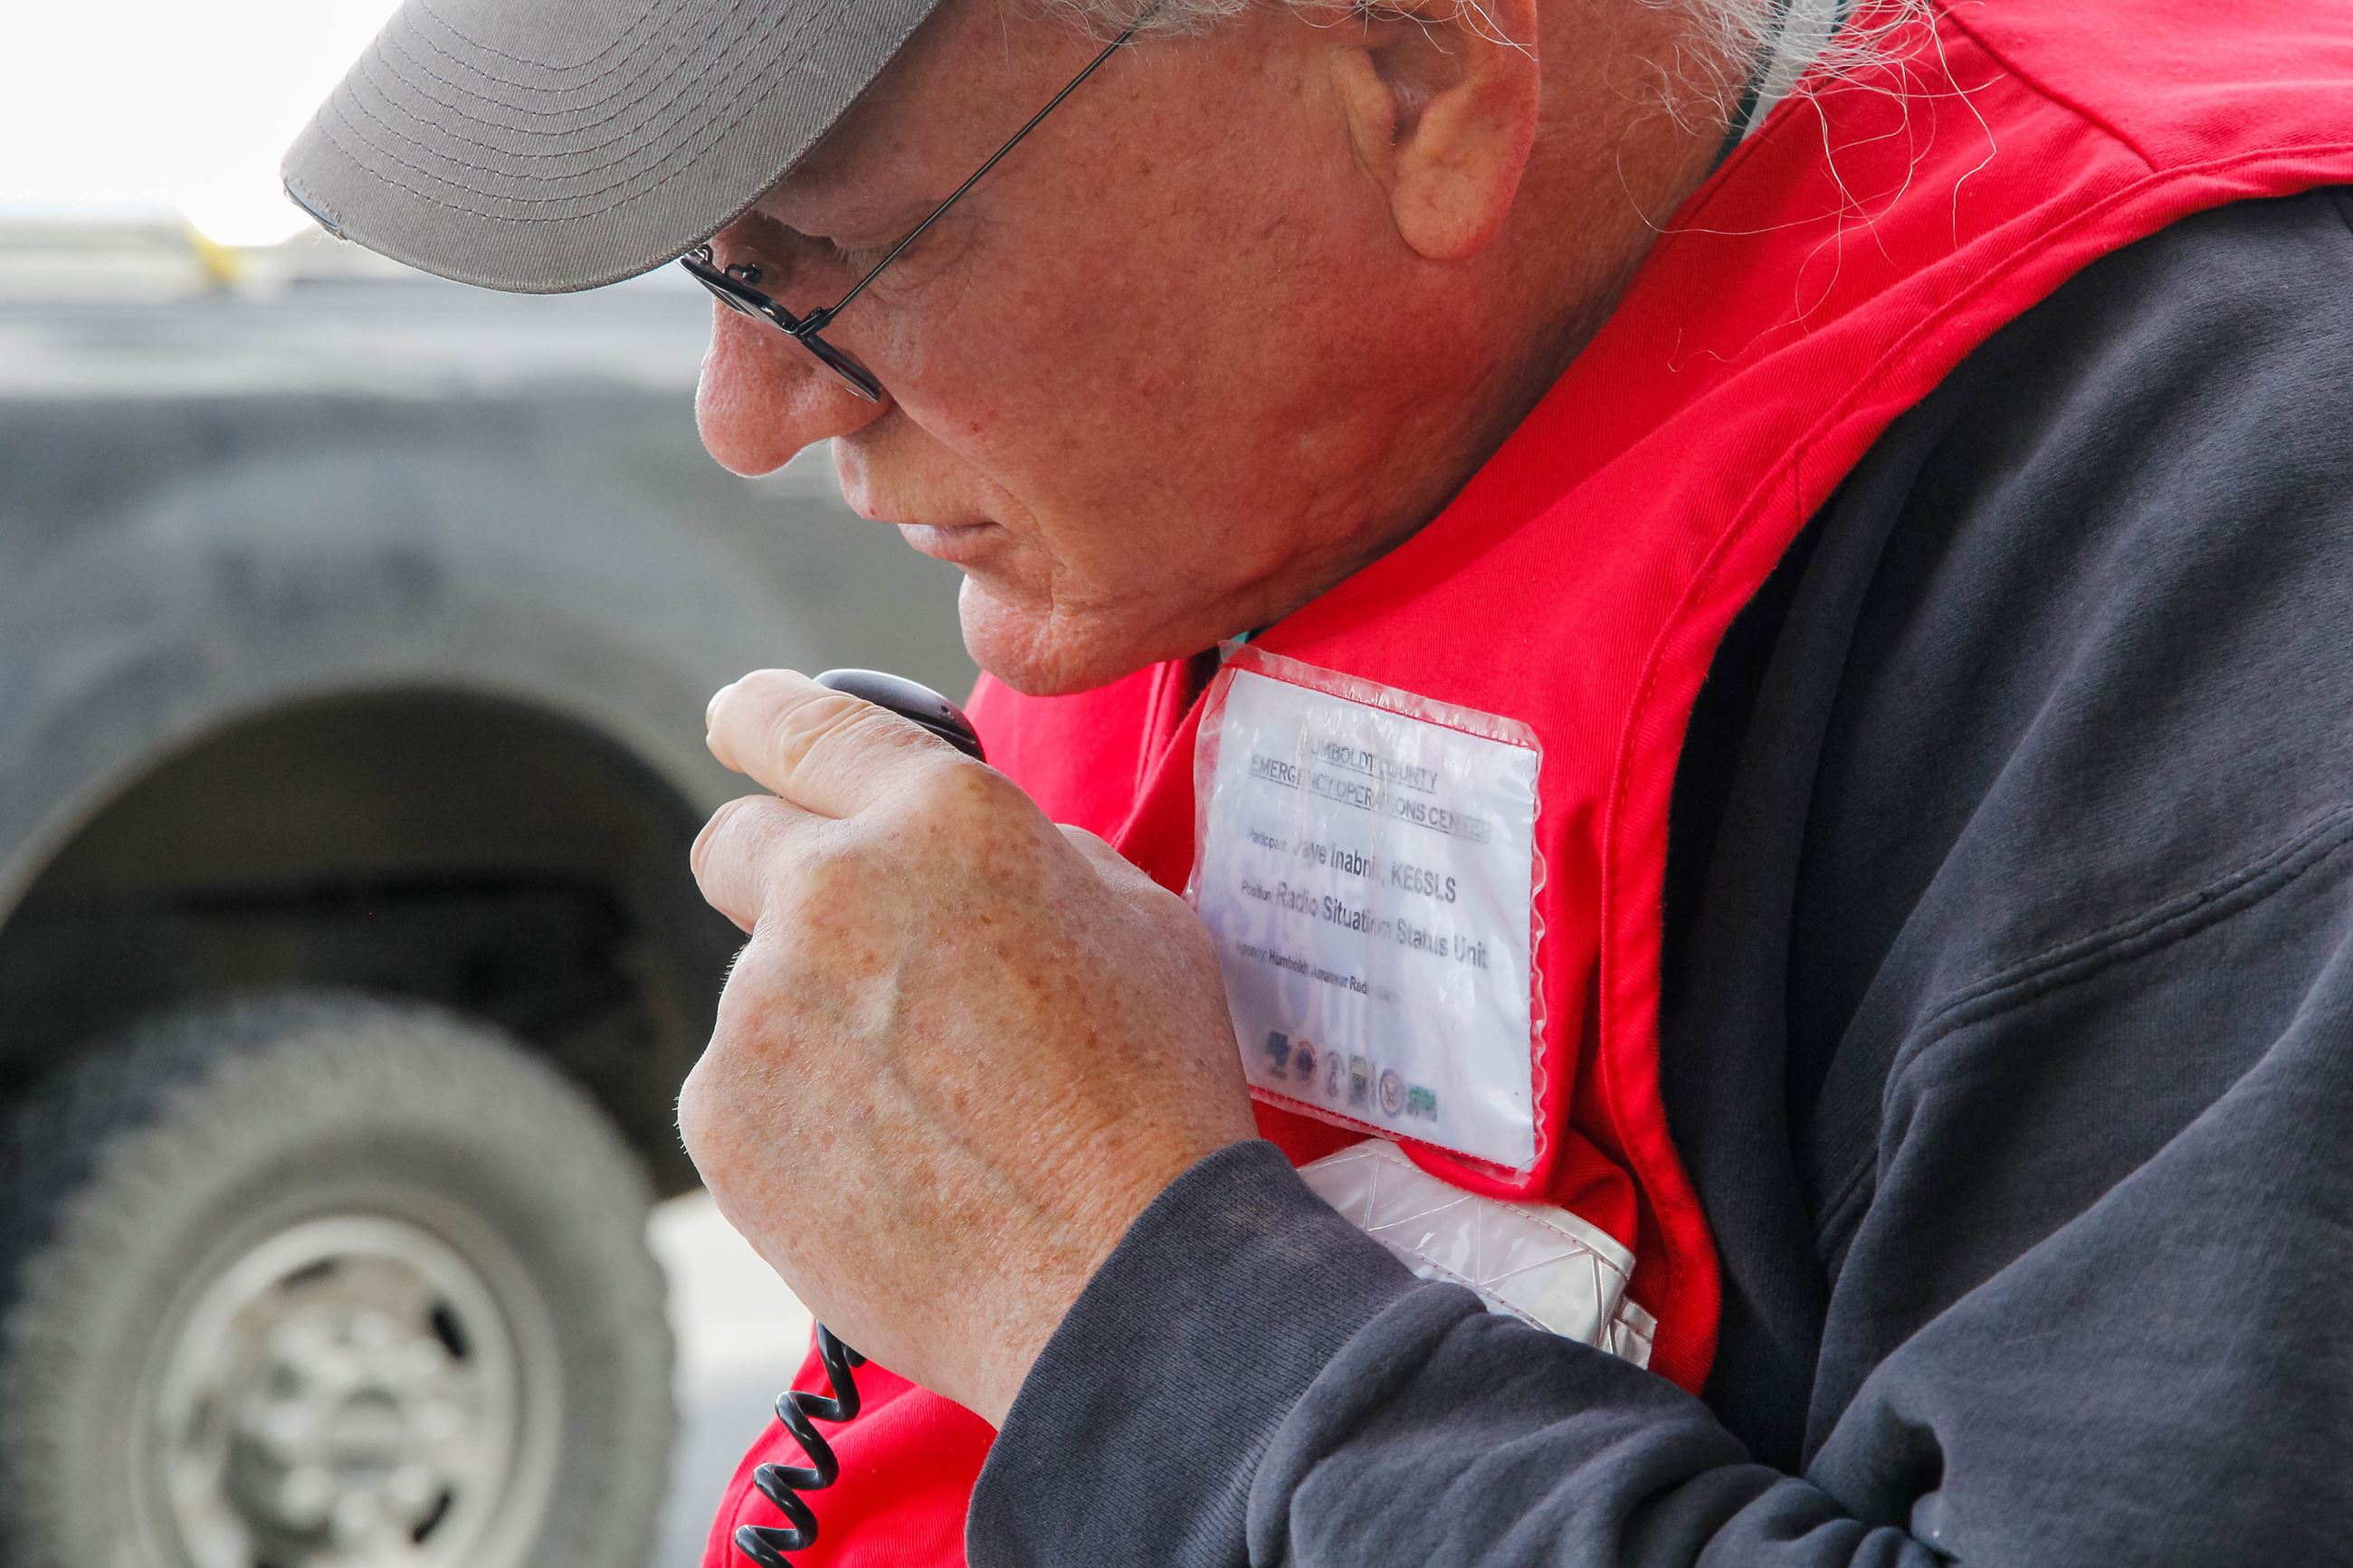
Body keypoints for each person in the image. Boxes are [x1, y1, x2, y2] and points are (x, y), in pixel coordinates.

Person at [285, 0, 2353, 1562]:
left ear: (1416, 67)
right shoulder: (1280, 444)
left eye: (818, 255)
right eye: (705, 270)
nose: (747, 413)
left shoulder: (2241, 593)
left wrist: (1122, 1282)